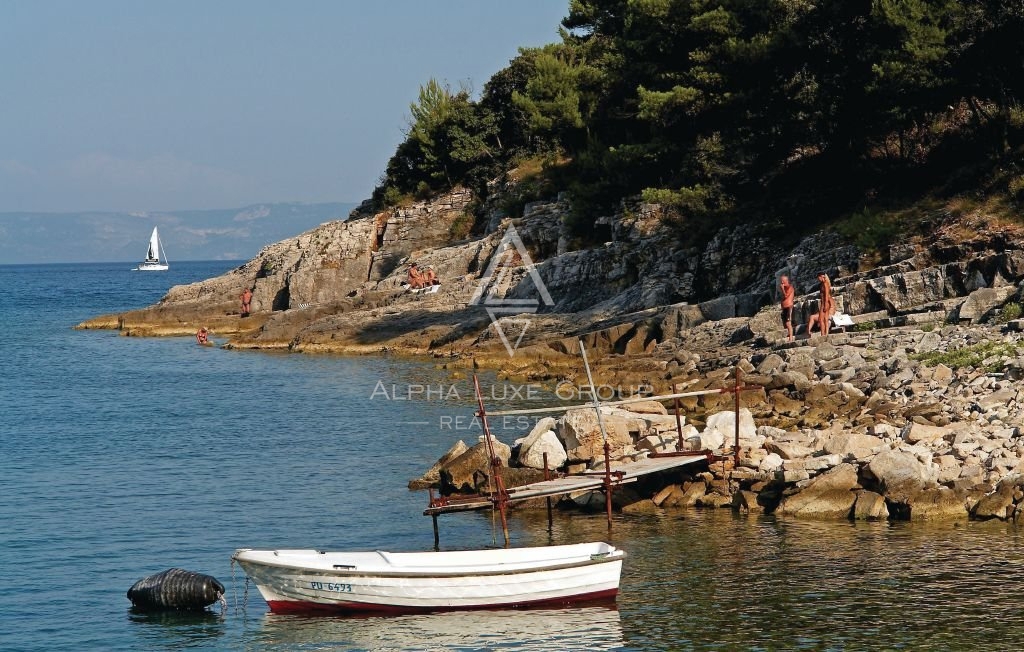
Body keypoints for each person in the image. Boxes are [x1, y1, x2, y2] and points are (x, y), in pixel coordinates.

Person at [807, 272, 835, 336]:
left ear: (821, 277)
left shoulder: (825, 284)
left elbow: (826, 295)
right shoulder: (822, 284)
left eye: (818, 278)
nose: (818, 279)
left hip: (825, 302)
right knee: (822, 319)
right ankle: (823, 333)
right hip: (823, 302)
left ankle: (825, 333)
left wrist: (825, 304)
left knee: (823, 319)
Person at [779, 274, 795, 342]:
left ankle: (791, 338)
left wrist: (782, 288)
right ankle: (789, 335)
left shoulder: (789, 286)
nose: (782, 282)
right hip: (785, 308)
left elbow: (786, 296)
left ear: (786, 280)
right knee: (786, 323)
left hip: (789, 307)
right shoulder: (785, 287)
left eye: (783, 281)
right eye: (781, 281)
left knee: (788, 323)